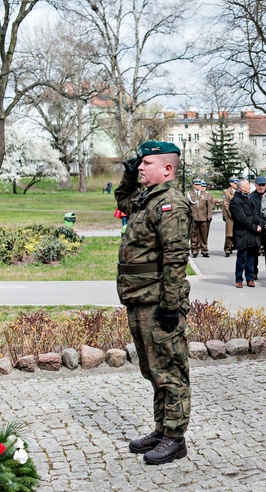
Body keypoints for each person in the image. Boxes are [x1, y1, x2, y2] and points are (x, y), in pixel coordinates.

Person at [115, 140, 192, 465]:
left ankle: (175, 437)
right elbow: (122, 199)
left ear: (167, 169)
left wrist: (170, 305)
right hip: (139, 298)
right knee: (153, 369)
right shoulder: (147, 199)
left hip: (158, 301)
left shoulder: (170, 204)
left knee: (169, 369)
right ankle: (162, 429)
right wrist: (130, 176)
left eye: (146, 163)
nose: (141, 167)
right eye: (140, 163)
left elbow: (176, 258)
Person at [230, 179, 261, 288]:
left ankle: (250, 278)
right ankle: (239, 279)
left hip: (252, 233)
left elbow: (255, 214)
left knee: (251, 258)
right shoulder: (236, 201)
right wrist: (254, 227)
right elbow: (241, 219)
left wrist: (259, 224)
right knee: (242, 258)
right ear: (242, 187)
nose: (250, 187)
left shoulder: (248, 198)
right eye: (248, 185)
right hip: (242, 233)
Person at [249, 177, 266, 280]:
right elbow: (251, 213)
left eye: (263, 185)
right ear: (256, 185)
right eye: (259, 185)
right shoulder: (251, 197)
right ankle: (253, 272)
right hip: (256, 227)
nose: (261, 187)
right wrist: (259, 224)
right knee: (254, 252)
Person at [187, 179, 213, 257]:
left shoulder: (206, 194)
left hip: (203, 218)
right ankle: (194, 251)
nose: (198, 186)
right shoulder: (189, 194)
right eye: (196, 185)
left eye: (199, 185)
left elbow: (209, 207)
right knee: (193, 235)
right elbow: (187, 206)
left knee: (204, 235)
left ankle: (204, 250)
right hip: (193, 218)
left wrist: (209, 216)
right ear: (193, 185)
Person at [222, 178, 238, 257]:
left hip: (239, 217)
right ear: (231, 184)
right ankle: (228, 249)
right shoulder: (227, 192)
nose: (237, 185)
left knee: (238, 233)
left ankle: (237, 247)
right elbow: (226, 205)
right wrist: (231, 214)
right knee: (229, 234)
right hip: (230, 216)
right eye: (235, 183)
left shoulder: (239, 191)